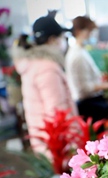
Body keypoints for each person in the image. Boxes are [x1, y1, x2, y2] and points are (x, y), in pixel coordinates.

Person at [12, 16, 77, 157]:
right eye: (61, 37)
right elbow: (56, 112)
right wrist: (70, 148)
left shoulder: (31, 62)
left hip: (42, 139)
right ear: (53, 40)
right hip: (57, 145)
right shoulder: (47, 68)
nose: (63, 42)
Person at [65, 16, 108, 123]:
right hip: (88, 105)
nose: (90, 34)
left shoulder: (81, 51)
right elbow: (84, 88)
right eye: (89, 31)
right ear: (78, 31)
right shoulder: (77, 55)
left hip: (91, 102)